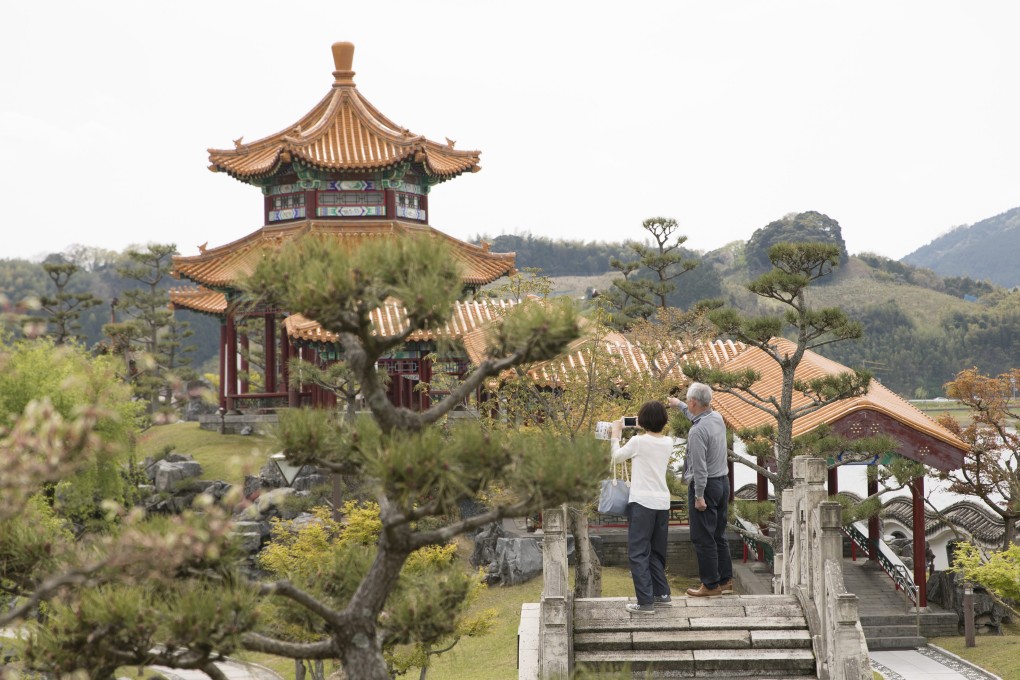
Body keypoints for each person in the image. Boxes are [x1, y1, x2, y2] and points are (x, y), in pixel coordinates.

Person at [668, 382, 733, 597]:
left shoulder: (696, 432)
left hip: (705, 486)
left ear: (694, 402)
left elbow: (699, 468)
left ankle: (710, 585)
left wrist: (698, 496)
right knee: (718, 535)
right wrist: (678, 405)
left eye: (687, 401)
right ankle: (725, 580)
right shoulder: (716, 418)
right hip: (723, 482)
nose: (687, 403)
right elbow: (695, 416)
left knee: (702, 537)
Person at [610, 400, 674, 615]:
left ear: (643, 420)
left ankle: (645, 602)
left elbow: (617, 458)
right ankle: (662, 594)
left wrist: (615, 435)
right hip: (662, 503)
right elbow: (652, 436)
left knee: (638, 553)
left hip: (642, 504)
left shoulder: (638, 441)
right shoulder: (668, 442)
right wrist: (646, 425)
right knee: (656, 552)